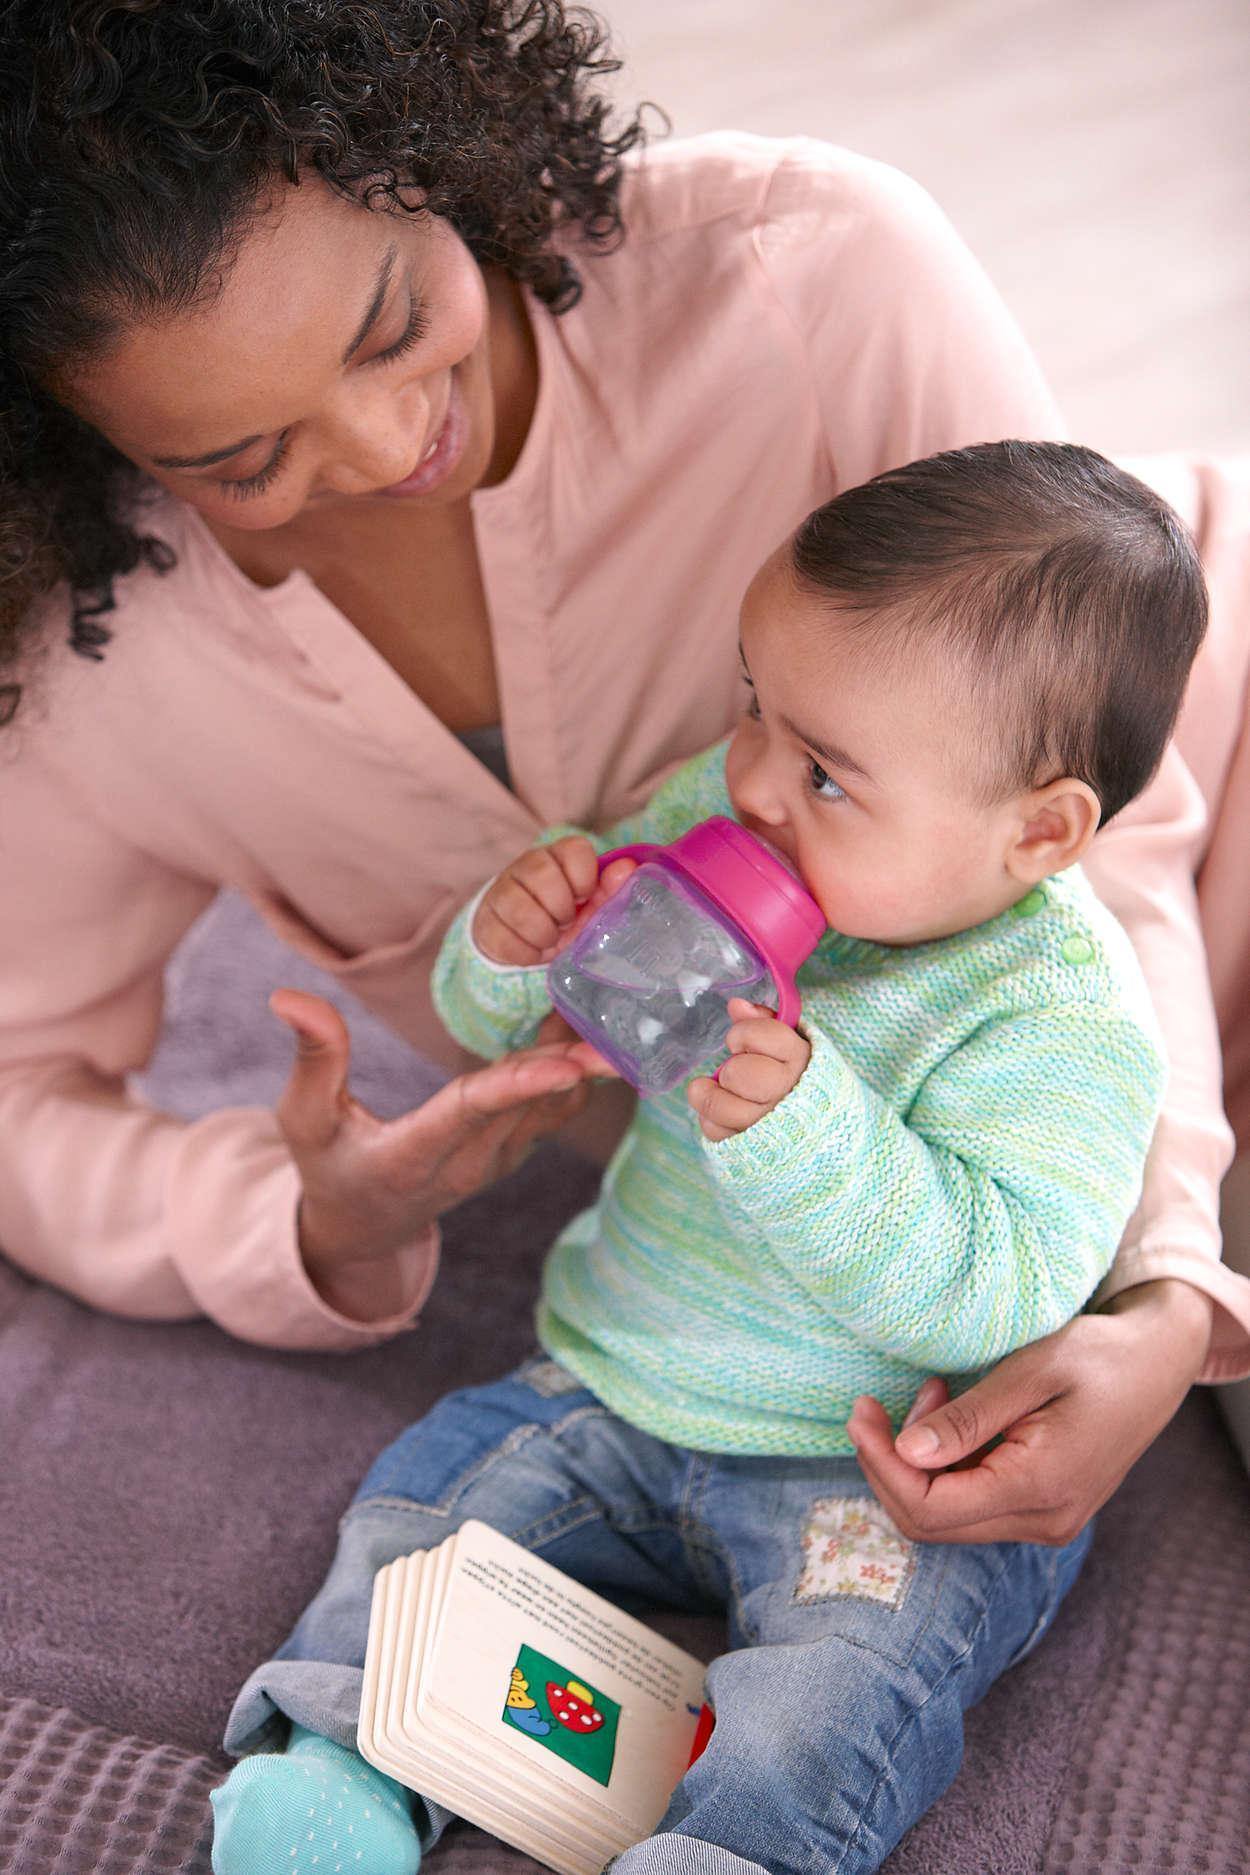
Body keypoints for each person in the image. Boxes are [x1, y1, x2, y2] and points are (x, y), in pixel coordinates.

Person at [0, 0, 1246, 1557]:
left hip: (1187, 838)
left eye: (394, 323)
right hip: (850, 1241)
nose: (391, 442)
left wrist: (1165, 1284)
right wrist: (310, 1217)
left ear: (423, 146)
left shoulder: (810, 275)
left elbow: (1097, 842)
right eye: (238, 460)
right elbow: (17, 1089)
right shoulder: (98, 667)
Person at [210, 441, 1205, 1875]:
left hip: (862, 1468)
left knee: (840, 1692)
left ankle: (728, 1854)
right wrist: (513, 945)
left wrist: (806, 1128)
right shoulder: (720, 813)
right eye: (754, 706)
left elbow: (993, 1299)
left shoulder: (1063, 1021)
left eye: (825, 773)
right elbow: (553, 1034)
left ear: (1035, 831)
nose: (746, 779)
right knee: (423, 1518)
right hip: (619, 1379)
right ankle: (335, 1764)